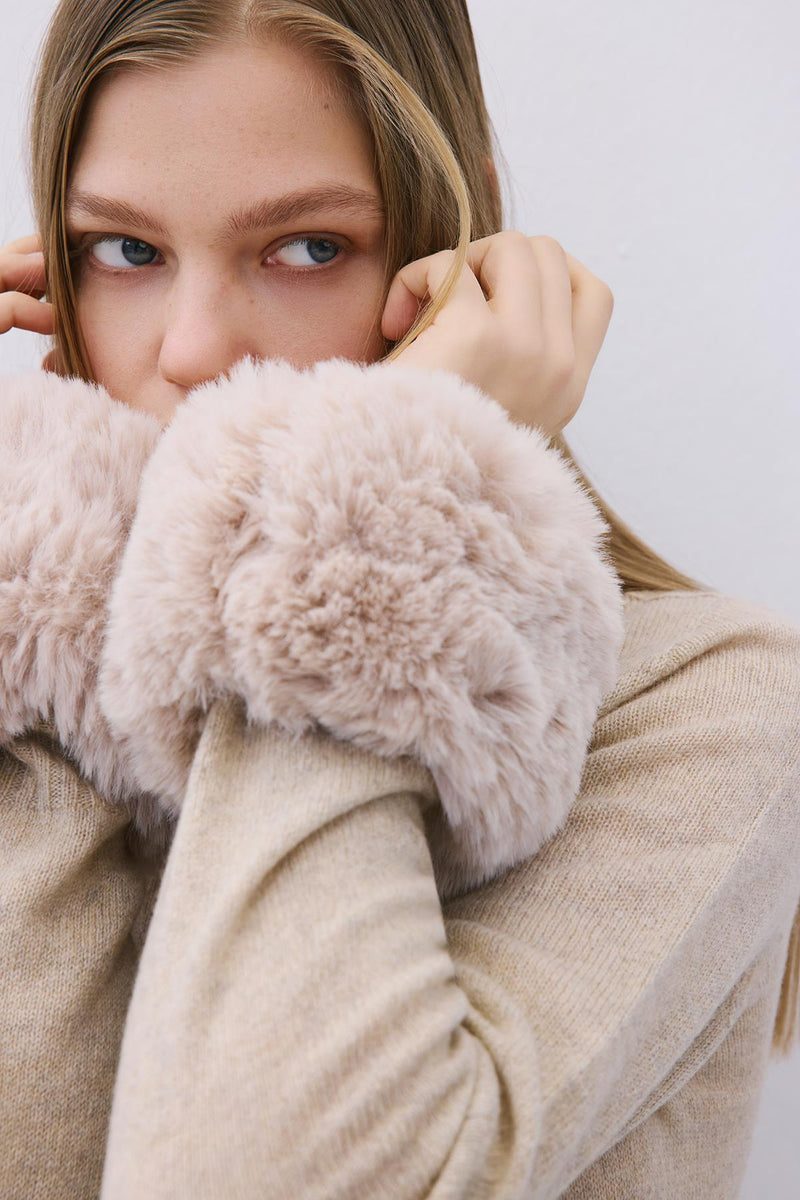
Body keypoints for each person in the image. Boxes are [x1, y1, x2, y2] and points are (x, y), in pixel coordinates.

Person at [1, 1, 799, 1197]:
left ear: (457, 259)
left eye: (308, 247)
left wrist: (361, 529)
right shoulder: (38, 669)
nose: (190, 350)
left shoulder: (713, 704)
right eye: (127, 251)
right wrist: (43, 580)